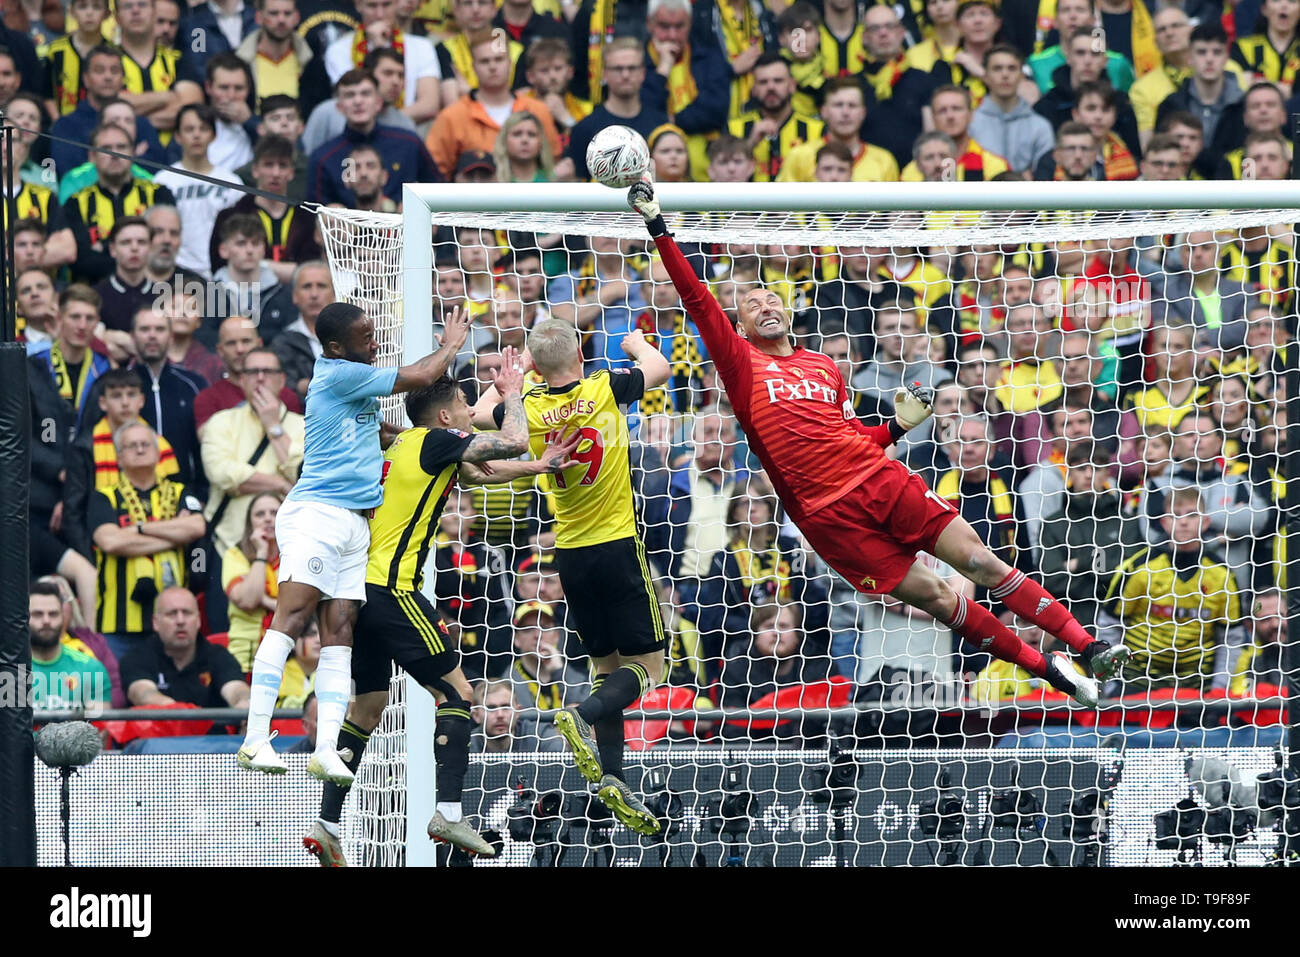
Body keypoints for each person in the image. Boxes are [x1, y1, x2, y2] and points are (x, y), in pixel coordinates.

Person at [629, 178, 1118, 709]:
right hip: (828, 517)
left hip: (878, 478)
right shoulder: (742, 364)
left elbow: (847, 438)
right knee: (936, 596)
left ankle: (1087, 647)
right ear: (740, 326)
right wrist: (659, 227)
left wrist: (897, 428)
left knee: (980, 560)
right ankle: (1050, 672)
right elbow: (697, 300)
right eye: (751, 303)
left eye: (772, 298)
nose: (764, 304)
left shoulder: (823, 367)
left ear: (788, 313)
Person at [302, 359, 576, 863]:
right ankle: (448, 812)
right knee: (456, 692)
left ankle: (325, 823)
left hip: (352, 593)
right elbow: (512, 440)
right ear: (446, 418)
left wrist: (539, 468)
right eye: (465, 408)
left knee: (367, 708)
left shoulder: (409, 444)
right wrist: (512, 392)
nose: (472, 414)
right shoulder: (432, 442)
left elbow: (480, 473)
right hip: (392, 590)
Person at [236, 301, 471, 785]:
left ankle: (326, 748)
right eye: (366, 335)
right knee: (292, 617)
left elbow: (387, 434)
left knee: (339, 630)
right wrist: (450, 344)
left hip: (352, 525)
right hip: (317, 514)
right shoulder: (339, 374)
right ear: (337, 346)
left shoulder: (353, 389)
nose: (374, 341)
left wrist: (444, 444)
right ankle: (255, 736)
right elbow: (420, 374)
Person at [471, 320, 672, 834]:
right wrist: (634, 344)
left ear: (535, 364)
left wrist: (511, 383)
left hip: (570, 556)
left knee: (606, 666)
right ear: (580, 358)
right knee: (652, 666)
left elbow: (474, 415)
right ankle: (582, 715)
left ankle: (613, 776)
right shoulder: (602, 386)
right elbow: (660, 369)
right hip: (618, 545)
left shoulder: (526, 409)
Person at [1098, 485, 1244, 690]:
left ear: (1205, 522)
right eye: (1175, 515)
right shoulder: (1138, 568)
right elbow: (1109, 625)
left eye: (1192, 515)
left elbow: (1231, 638)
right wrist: (1112, 683)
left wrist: (1220, 689)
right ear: (1165, 523)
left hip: (1197, 685)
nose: (1183, 521)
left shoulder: (1222, 575)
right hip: (1137, 679)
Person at [89, 421, 206, 661]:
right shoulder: (104, 496)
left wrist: (139, 529)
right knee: (119, 696)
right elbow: (110, 542)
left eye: (145, 444)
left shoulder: (180, 492)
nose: (140, 450)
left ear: (157, 452)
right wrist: (174, 537)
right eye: (131, 446)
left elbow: (196, 527)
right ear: (119, 457)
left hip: (173, 623)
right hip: (118, 625)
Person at [201, 346, 305, 555]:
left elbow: (304, 475)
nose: (260, 378)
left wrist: (273, 427)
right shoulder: (221, 422)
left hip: (288, 548)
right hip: (229, 545)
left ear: (282, 380)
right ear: (242, 380)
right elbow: (220, 472)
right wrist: (281, 484)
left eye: (268, 372)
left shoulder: (306, 426)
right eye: (252, 372)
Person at [119, 586, 250, 708]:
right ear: (155, 622)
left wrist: (244, 702)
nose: (180, 621)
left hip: (211, 733)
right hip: (158, 732)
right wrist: (182, 714)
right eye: (172, 613)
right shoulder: (137, 658)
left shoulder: (218, 655)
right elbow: (142, 693)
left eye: (187, 613)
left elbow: (236, 689)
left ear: (198, 620)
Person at [29, 581, 113, 711]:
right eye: (37, 614)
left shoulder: (90, 668)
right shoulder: (8, 669)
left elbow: (100, 727)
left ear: (63, 616)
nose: (46, 621)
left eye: (53, 614)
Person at [223, 492, 284, 671]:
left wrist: (263, 600)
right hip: (245, 658)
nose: (268, 519)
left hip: (289, 656)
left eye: (274, 513)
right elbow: (248, 600)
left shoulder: (296, 554)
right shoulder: (235, 555)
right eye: (260, 514)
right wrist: (261, 553)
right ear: (250, 523)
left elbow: (301, 608)